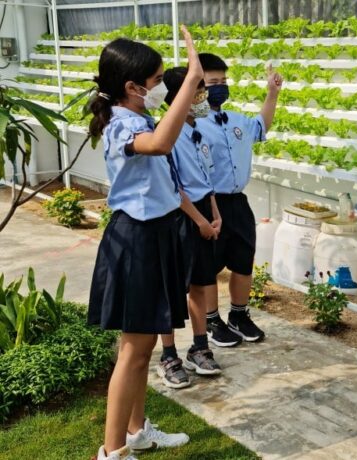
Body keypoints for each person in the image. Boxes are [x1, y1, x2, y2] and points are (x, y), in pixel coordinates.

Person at [87, 26, 204, 460]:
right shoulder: (123, 125)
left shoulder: (136, 116)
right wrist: (190, 80)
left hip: (155, 236)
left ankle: (135, 432)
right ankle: (113, 451)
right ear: (132, 88)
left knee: (142, 346)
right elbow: (158, 144)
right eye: (157, 82)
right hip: (136, 241)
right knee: (135, 352)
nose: (162, 88)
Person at [195, 53, 283, 347]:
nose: (219, 87)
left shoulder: (236, 120)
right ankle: (211, 321)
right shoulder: (191, 124)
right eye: (212, 82)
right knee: (207, 266)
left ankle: (238, 315)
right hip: (208, 203)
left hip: (237, 202)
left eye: (223, 81)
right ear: (197, 86)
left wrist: (273, 93)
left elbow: (261, 126)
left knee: (243, 261)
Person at [155, 66, 224, 390]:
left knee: (201, 285)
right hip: (181, 220)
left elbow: (204, 178)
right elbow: (172, 185)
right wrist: (199, 221)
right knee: (171, 291)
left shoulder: (195, 128)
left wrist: (214, 213)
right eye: (196, 91)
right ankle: (168, 355)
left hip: (204, 218)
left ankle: (200, 346)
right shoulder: (166, 133)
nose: (202, 97)